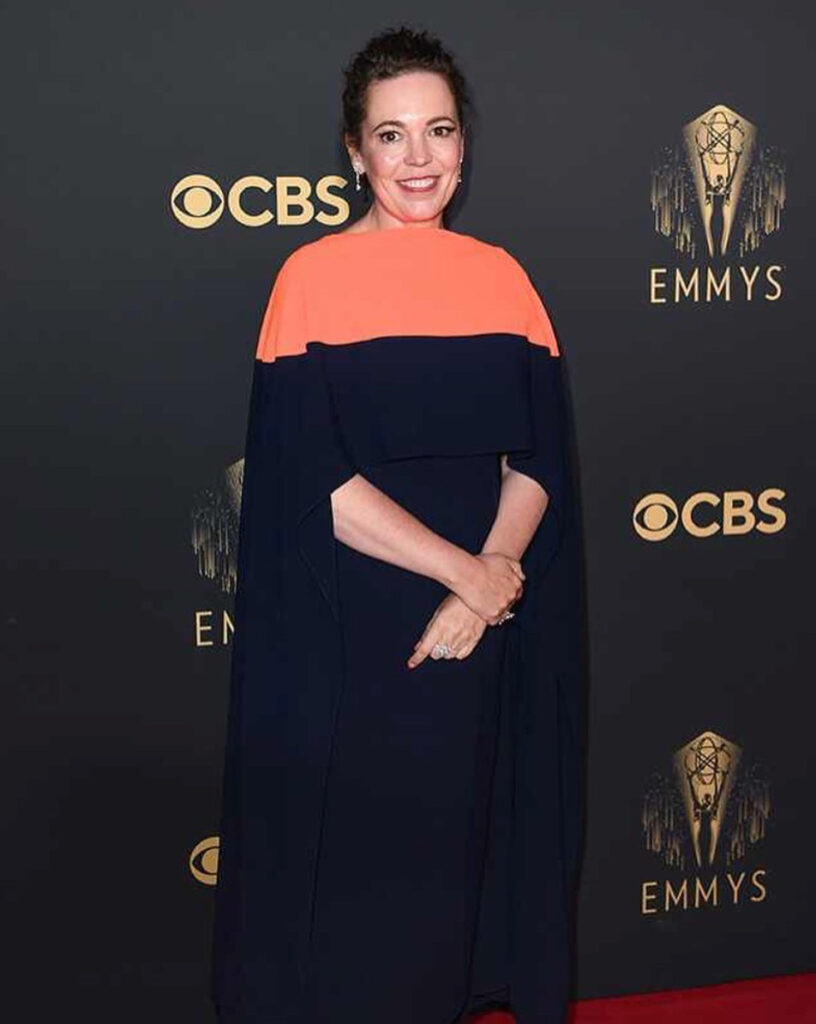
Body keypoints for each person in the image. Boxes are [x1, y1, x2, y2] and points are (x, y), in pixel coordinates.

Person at [211, 25, 584, 1024]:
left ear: (464, 144)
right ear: (354, 151)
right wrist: (464, 573)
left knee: (456, 867)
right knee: (360, 887)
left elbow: (540, 461)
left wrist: (493, 574)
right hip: (356, 637)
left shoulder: (505, 279)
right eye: (391, 135)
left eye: (439, 130)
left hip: (479, 630)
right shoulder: (310, 278)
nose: (419, 158)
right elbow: (311, 481)